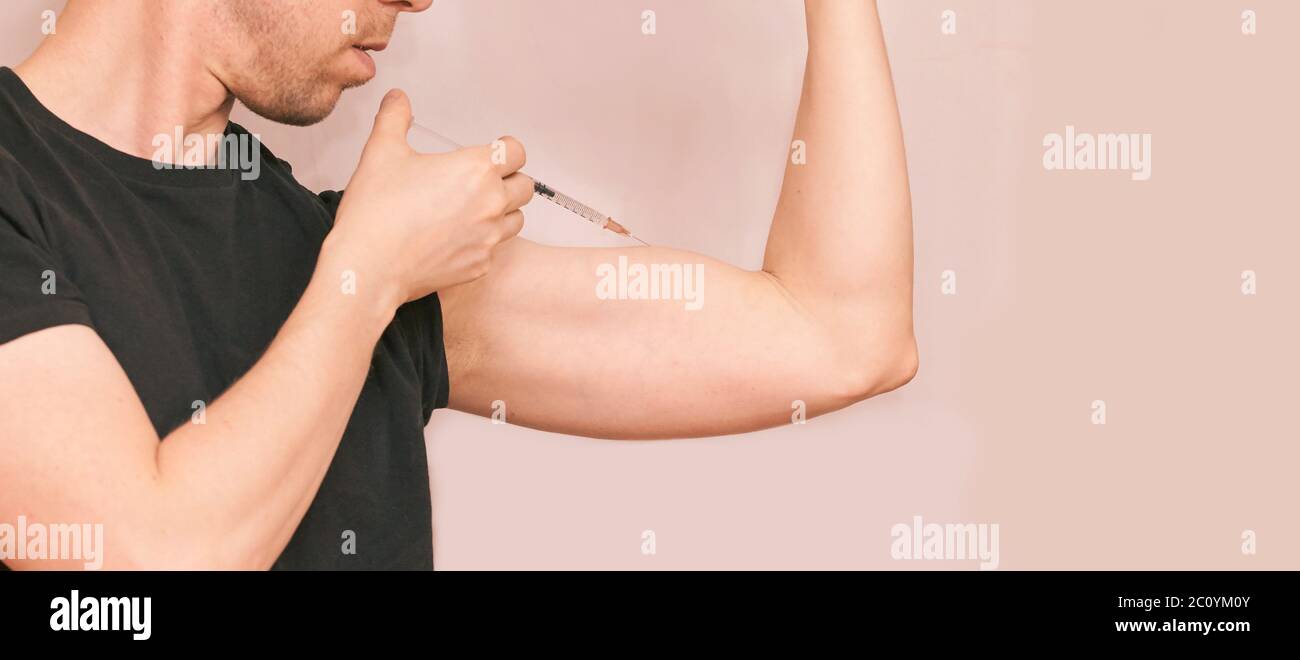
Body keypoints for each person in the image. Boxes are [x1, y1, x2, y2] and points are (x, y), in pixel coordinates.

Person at [0, 0, 915, 570]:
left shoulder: (345, 253)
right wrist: (365, 281)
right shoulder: (364, 267)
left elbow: (842, 336)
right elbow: (142, 562)